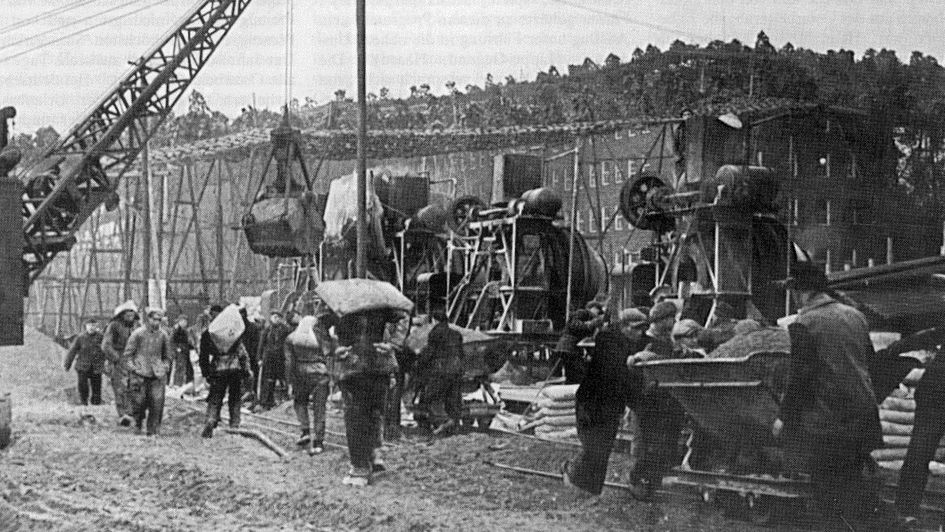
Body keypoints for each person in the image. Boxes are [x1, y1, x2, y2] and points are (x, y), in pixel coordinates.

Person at [772, 260, 883, 527]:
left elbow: (801, 378)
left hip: (828, 425)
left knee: (827, 500)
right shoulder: (855, 316)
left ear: (802, 292)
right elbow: (870, 362)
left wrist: (783, 418)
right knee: (852, 491)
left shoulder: (804, 323)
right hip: (864, 418)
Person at [563, 308, 649, 496]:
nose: (639, 333)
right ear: (624, 327)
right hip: (592, 402)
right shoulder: (608, 341)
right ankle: (572, 473)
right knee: (594, 446)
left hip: (610, 404)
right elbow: (618, 372)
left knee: (603, 449)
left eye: (642, 329)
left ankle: (590, 490)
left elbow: (626, 380)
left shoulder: (629, 344)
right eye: (635, 329)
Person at [334, 309, 400, 487]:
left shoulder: (342, 306)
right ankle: (374, 455)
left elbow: (319, 326)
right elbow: (402, 319)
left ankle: (360, 469)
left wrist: (333, 350)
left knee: (356, 419)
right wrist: (393, 345)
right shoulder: (381, 306)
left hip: (356, 369)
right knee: (373, 414)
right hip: (374, 368)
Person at [626, 300, 685, 500]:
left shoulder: (670, 342)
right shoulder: (642, 340)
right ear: (660, 320)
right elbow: (630, 367)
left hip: (668, 399)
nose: (674, 322)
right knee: (647, 444)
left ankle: (652, 482)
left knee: (665, 444)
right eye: (670, 319)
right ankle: (637, 481)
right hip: (647, 400)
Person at [199, 310, 251, 438]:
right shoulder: (233, 332)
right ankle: (234, 424)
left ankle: (211, 419)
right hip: (235, 368)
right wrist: (246, 371)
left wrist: (206, 373)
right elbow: (242, 354)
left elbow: (203, 356)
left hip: (217, 368)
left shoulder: (208, 334)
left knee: (215, 397)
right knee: (235, 397)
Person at [285, 315, 331, 454]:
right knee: (319, 407)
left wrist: (289, 381)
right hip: (320, 374)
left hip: (300, 373)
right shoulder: (320, 337)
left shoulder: (291, 338)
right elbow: (329, 354)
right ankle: (318, 441)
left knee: (299, 402)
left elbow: (288, 362)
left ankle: (305, 430)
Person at [124, 308, 172, 435]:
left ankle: (153, 430)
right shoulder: (137, 334)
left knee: (157, 403)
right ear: (148, 319)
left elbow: (167, 355)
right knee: (138, 402)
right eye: (154, 319)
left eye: (159, 320)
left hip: (157, 374)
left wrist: (165, 366)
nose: (156, 322)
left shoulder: (163, 335)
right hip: (139, 373)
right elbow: (128, 354)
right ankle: (137, 424)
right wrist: (132, 367)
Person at [417, 309, 464, 434]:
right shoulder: (457, 334)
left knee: (431, 396)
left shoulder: (435, 333)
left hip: (441, 370)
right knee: (453, 398)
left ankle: (444, 421)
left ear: (434, 320)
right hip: (457, 370)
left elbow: (430, 352)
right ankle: (454, 425)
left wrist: (420, 362)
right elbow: (461, 353)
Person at [101, 300, 139, 426]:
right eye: (127, 313)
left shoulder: (137, 326)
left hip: (134, 360)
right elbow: (106, 345)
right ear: (122, 314)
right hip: (118, 360)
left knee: (134, 387)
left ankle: (133, 413)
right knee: (120, 388)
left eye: (132, 313)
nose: (130, 315)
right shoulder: (114, 326)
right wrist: (116, 358)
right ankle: (123, 415)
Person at [64, 319, 106, 406]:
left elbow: (107, 350)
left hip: (96, 367)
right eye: (89, 325)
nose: (91, 327)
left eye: (93, 325)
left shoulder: (101, 337)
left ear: (96, 326)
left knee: (96, 387)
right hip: (82, 366)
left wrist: (109, 362)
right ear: (86, 326)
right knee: (83, 387)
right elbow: (72, 351)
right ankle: (84, 403)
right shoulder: (80, 338)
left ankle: (96, 405)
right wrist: (67, 364)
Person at [257, 310, 291, 410]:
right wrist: (259, 358)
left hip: (280, 359)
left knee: (281, 379)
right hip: (268, 359)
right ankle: (266, 401)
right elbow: (261, 345)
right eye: (274, 317)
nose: (276, 319)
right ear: (271, 318)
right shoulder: (267, 330)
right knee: (268, 381)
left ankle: (282, 400)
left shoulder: (285, 329)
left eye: (278, 317)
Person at [239, 306, 261, 405]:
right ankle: (245, 394)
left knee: (252, 376)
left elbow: (257, 344)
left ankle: (253, 395)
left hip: (251, 356)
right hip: (242, 357)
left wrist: (254, 356)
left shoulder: (252, 327)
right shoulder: (238, 327)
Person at [170, 315, 194, 387]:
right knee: (180, 368)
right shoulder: (176, 329)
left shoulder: (184, 329)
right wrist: (176, 349)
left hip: (184, 350)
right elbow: (172, 340)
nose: (185, 323)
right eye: (184, 321)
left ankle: (185, 384)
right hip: (180, 351)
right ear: (181, 321)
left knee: (186, 368)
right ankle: (177, 384)